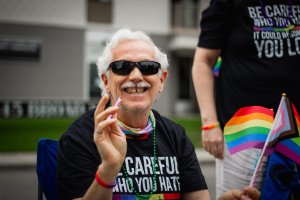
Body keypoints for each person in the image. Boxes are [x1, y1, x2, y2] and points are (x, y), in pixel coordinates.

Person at [57, 28, 210, 200]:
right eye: (122, 67)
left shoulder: (176, 136)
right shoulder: (80, 137)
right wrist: (109, 169)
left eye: (148, 67)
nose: (136, 76)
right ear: (106, 81)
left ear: (161, 80)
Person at [192, 0, 300, 198]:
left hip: (295, 129)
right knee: (241, 197)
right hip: (244, 131)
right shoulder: (228, 3)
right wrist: (209, 124)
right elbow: (203, 61)